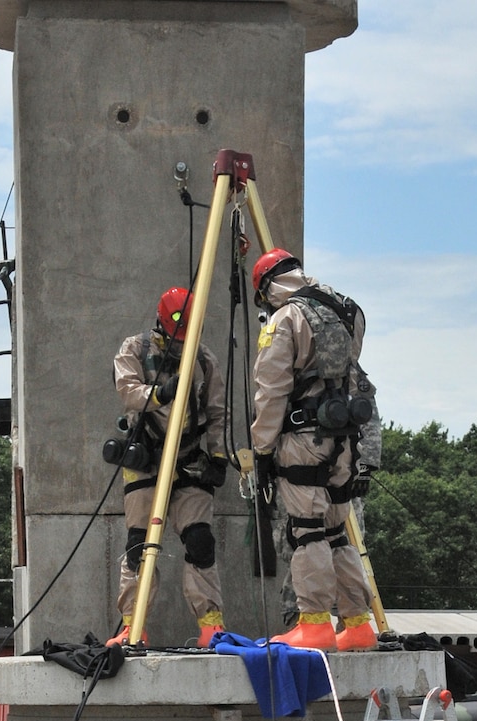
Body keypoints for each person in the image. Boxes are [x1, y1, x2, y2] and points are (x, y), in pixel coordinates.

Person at [250, 249, 377, 652]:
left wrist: (262, 449)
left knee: (306, 531)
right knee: (338, 531)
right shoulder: (347, 308)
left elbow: (271, 391)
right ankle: (357, 624)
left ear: (268, 286)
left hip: (303, 440)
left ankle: (316, 623)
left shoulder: (285, 318)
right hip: (346, 439)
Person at [113, 285, 227, 645]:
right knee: (139, 545)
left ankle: (211, 625)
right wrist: (160, 393)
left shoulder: (204, 360)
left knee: (200, 540)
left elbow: (217, 412)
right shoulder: (135, 349)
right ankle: (134, 626)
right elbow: (127, 389)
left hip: (189, 459)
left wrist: (220, 456)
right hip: (147, 459)